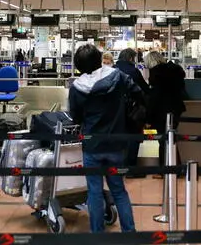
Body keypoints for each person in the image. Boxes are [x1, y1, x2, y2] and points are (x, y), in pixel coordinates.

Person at [68, 44, 138, 233]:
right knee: (119, 191)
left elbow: (75, 116)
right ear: (99, 59)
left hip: (92, 145)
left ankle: (97, 234)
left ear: (78, 65)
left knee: (95, 193)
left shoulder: (76, 87)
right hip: (116, 143)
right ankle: (129, 234)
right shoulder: (117, 77)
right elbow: (138, 93)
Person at [144, 51, 186, 179]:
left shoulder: (156, 74)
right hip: (175, 110)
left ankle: (165, 170)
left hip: (161, 113)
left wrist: (148, 118)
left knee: (163, 141)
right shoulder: (175, 71)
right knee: (171, 140)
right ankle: (176, 168)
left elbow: (155, 98)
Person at [114, 48, 148, 174]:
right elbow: (142, 89)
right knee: (133, 137)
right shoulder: (133, 71)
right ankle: (131, 169)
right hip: (132, 110)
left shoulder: (111, 69)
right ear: (130, 58)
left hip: (115, 111)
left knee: (118, 138)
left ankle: (119, 167)